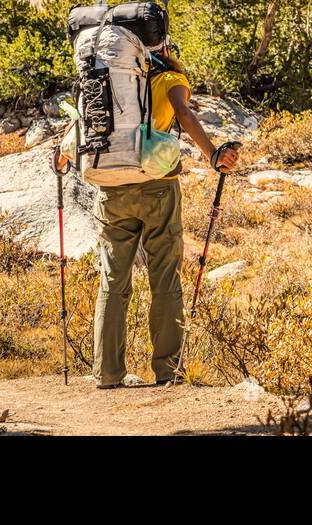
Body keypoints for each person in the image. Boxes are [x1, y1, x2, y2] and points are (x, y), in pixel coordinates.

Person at [56, 43, 239, 388]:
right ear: (163, 45)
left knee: (112, 278)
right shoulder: (170, 77)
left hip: (113, 188)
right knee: (165, 276)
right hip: (158, 186)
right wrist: (213, 154)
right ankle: (168, 371)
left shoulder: (105, 75)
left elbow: (81, 123)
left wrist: (63, 156)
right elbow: (183, 115)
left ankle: (107, 373)